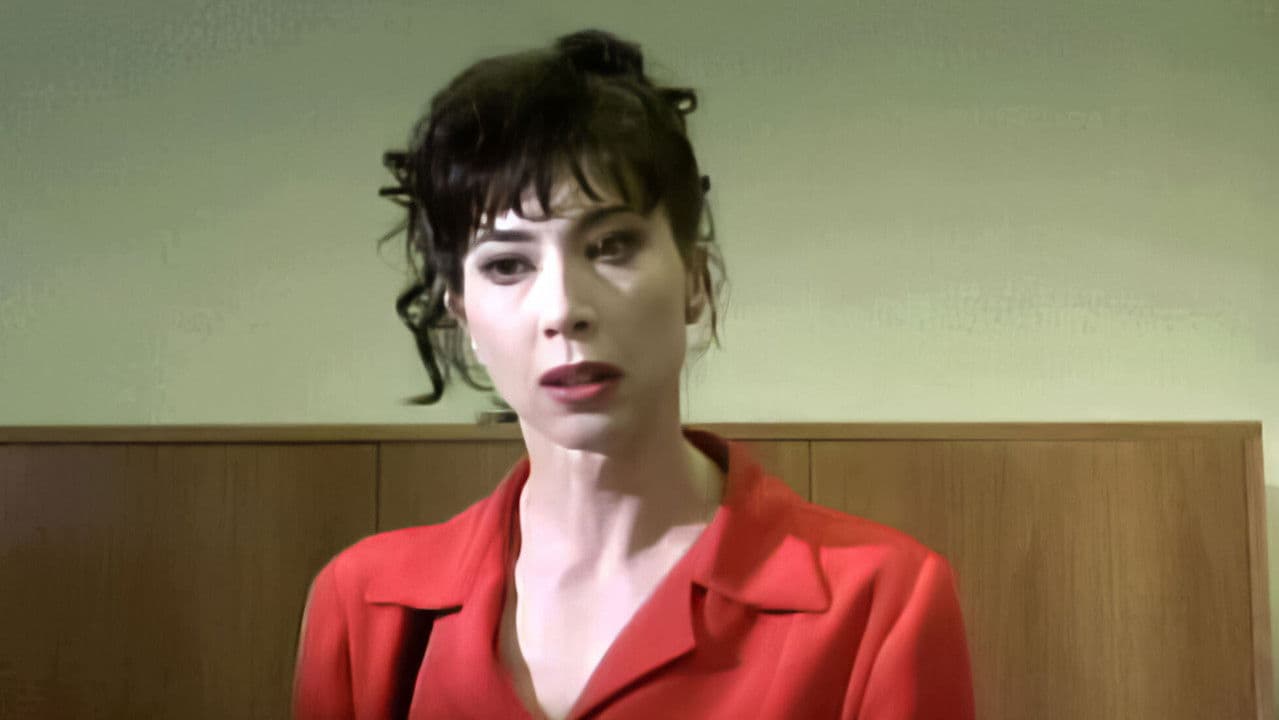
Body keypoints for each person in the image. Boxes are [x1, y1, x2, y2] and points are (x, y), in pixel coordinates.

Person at [292, 28, 975, 720]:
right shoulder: (364, 607)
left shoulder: (879, 601)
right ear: (462, 314)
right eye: (507, 264)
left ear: (695, 281)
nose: (563, 309)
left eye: (610, 245)